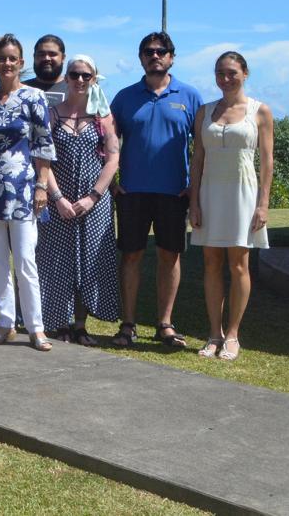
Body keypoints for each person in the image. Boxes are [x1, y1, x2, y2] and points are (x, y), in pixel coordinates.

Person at [110, 32, 203, 349]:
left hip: (174, 193)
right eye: (148, 51)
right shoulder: (124, 97)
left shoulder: (189, 96)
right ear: (140, 58)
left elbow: (202, 147)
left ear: (171, 57)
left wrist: (193, 186)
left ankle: (165, 324)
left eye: (161, 51)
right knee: (131, 256)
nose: (155, 56)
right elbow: (108, 143)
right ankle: (128, 324)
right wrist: (112, 182)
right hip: (132, 192)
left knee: (169, 256)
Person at [0, 34, 56, 351]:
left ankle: (36, 328)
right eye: (1, 58)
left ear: (21, 62)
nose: (7, 63)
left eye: (12, 58)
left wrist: (42, 185)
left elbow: (43, 144)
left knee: (26, 261)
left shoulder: (34, 97)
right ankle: (5, 323)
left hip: (23, 191)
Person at [189, 52, 273, 361]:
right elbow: (197, 159)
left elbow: (267, 162)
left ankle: (233, 334)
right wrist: (194, 201)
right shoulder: (205, 111)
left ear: (245, 73)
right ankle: (215, 333)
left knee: (239, 264)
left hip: (243, 193)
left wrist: (263, 204)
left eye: (232, 73)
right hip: (210, 192)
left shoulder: (260, 111)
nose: (225, 79)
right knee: (211, 262)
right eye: (220, 73)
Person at [36, 55, 120, 345]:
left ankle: (81, 324)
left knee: (90, 260)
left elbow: (113, 159)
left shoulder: (103, 117)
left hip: (93, 202)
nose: (80, 80)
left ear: (94, 79)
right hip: (58, 200)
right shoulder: (52, 114)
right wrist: (57, 197)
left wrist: (93, 197)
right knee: (56, 261)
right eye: (74, 74)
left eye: (86, 75)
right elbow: (42, 158)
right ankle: (59, 322)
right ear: (67, 78)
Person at [24, 34, 68, 108]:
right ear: (34, 57)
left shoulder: (74, 90)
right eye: (41, 54)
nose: (46, 58)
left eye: (52, 54)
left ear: (63, 58)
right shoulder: (20, 89)